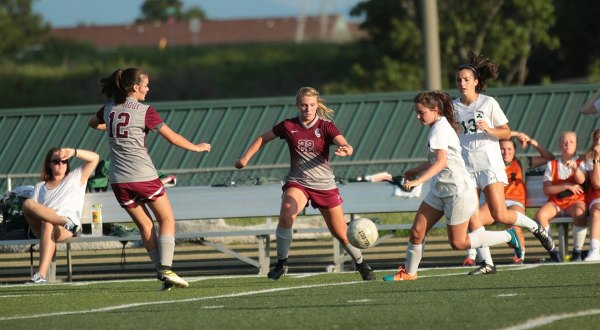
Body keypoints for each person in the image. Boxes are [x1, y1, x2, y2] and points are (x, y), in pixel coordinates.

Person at [234, 86, 375, 281]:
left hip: (324, 185)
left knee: (342, 233)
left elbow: (344, 143)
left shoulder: (326, 126)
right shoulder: (288, 125)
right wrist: (244, 159)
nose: (307, 109)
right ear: (297, 105)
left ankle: (361, 264)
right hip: (298, 182)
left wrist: (346, 149)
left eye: (311, 105)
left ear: (317, 105)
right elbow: (262, 138)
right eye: (303, 105)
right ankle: (282, 264)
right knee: (286, 213)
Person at [88, 67, 211, 290]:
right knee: (167, 220)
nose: (148, 88)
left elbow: (92, 124)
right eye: (145, 84)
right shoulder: (145, 111)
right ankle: (166, 268)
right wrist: (197, 147)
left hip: (117, 180)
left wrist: (113, 127)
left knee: (145, 225)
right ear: (135, 87)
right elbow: (172, 138)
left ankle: (162, 272)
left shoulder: (109, 108)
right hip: (142, 175)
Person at [382, 91, 523, 281]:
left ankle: (509, 236)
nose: (417, 116)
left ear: (435, 110)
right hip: (440, 190)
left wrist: (417, 181)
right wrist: (416, 169)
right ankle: (409, 272)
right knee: (417, 232)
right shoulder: (437, 126)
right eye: (416, 112)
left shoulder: (440, 128)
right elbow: (437, 159)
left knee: (458, 242)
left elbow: (440, 162)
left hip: (458, 191)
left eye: (421, 112)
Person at [453, 51, 554, 274]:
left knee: (500, 214)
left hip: (488, 164)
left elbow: (506, 131)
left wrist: (489, 129)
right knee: (472, 215)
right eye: (459, 79)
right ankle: (487, 263)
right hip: (467, 167)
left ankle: (535, 227)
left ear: (476, 82)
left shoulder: (488, 103)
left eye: (466, 79)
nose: (462, 83)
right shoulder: (454, 107)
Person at [463, 131, 555, 265]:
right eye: (502, 149)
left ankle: (519, 256)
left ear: (514, 151)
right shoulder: (490, 163)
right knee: (474, 220)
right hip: (495, 202)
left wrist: (532, 142)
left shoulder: (521, 162)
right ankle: (472, 257)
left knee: (514, 220)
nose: (506, 152)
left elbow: (549, 157)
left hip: (514, 202)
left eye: (509, 149)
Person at [23, 147, 100, 284]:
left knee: (48, 225)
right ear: (49, 164)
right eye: (56, 161)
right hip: (44, 226)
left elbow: (94, 158)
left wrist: (73, 152)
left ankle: (40, 275)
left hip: (64, 229)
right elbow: (34, 211)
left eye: (64, 161)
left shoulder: (76, 176)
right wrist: (51, 216)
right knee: (28, 203)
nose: (60, 163)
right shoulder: (40, 186)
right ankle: (64, 222)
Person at [536, 131, 586, 262]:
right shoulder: (551, 164)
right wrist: (567, 186)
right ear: (559, 145)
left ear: (576, 145)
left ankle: (577, 252)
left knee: (580, 213)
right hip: (557, 201)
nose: (567, 144)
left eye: (571, 141)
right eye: (564, 142)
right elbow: (547, 189)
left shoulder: (581, 163)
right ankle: (553, 252)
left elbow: (582, 181)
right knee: (541, 216)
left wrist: (575, 169)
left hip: (575, 201)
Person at [584, 128, 600, 261]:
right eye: (596, 139)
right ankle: (594, 250)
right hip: (596, 197)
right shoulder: (590, 157)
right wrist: (597, 159)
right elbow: (596, 183)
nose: (599, 142)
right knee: (596, 213)